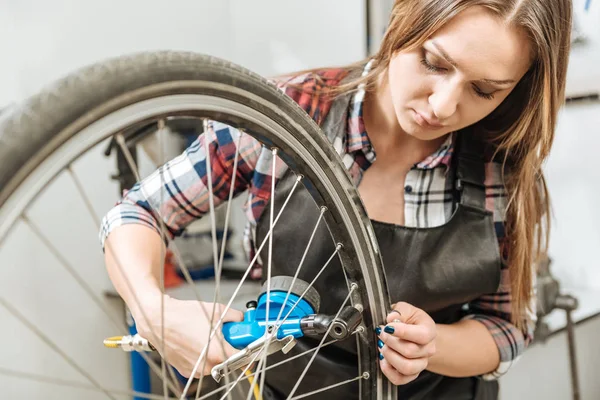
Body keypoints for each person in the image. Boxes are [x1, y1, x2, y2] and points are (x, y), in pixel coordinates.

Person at [100, 0, 573, 398]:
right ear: (403, 17)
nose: (444, 106)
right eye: (434, 62)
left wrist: (434, 345)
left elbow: (507, 328)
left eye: (483, 90)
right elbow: (140, 212)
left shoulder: (500, 171)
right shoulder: (286, 116)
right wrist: (151, 308)